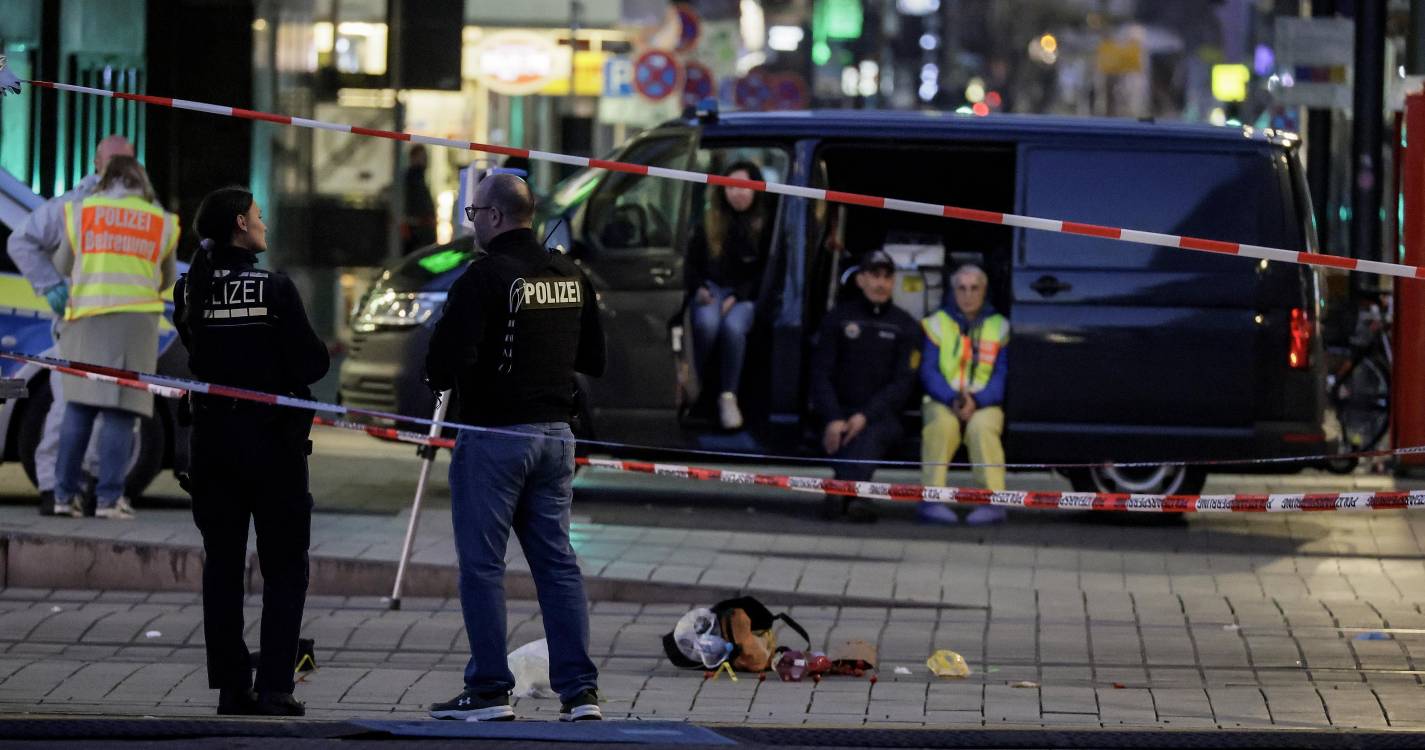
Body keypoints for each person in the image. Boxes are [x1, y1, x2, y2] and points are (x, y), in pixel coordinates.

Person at [425, 173, 605, 722]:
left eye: (474, 211)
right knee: (557, 565)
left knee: (482, 566)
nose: (472, 221)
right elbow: (592, 359)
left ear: (497, 216)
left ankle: (487, 691)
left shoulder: (484, 278)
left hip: (494, 438)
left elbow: (442, 363)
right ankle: (580, 694)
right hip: (556, 436)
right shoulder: (572, 275)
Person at [173, 187, 329, 716]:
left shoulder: (188, 289)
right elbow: (311, 365)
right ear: (241, 223)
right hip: (275, 449)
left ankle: (233, 688)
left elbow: (199, 356)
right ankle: (276, 688)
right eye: (258, 216)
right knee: (284, 566)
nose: (263, 224)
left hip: (214, 446)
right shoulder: (275, 287)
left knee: (222, 567)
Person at [7, 135, 136, 515]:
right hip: (80, 323)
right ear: (97, 162)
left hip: (121, 323)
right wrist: (50, 287)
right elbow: (22, 241)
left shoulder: (140, 209)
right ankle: (54, 488)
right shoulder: (72, 207)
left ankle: (90, 486)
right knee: (70, 407)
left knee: (110, 411)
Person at [50, 156, 177, 521]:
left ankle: (63, 497)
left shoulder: (82, 211)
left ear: (107, 180)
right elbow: (165, 278)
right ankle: (108, 501)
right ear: (142, 182)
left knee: (79, 409)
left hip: (87, 321)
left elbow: (62, 266)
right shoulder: (161, 221)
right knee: (121, 414)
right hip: (135, 326)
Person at [809, 251, 918, 523]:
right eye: (874, 276)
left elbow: (903, 384)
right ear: (860, 280)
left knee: (868, 434)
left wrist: (865, 415)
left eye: (886, 277)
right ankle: (856, 496)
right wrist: (833, 418)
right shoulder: (838, 318)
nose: (880, 283)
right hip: (839, 411)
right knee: (847, 431)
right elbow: (820, 373)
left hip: (881, 415)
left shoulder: (905, 325)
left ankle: (843, 491)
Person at [919, 264, 1010, 526]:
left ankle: (993, 502)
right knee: (941, 427)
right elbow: (928, 371)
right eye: (961, 288)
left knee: (982, 429)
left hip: (984, 402)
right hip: (943, 400)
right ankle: (931, 499)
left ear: (984, 291)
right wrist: (952, 398)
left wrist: (977, 401)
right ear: (953, 291)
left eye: (974, 288)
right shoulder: (936, 323)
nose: (968, 295)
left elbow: (1001, 377)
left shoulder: (1000, 326)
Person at [684, 161, 771, 430]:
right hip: (711, 289)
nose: (738, 193)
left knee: (733, 327)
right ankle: (693, 391)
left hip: (745, 296)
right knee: (706, 324)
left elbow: (766, 271)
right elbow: (690, 263)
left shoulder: (765, 224)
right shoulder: (709, 221)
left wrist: (738, 296)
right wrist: (700, 287)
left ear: (756, 190)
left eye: (745, 187)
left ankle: (727, 397)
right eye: (732, 186)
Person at [401, 144, 438, 256]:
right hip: (418, 234)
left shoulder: (418, 178)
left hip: (421, 232)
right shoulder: (413, 179)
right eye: (422, 157)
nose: (425, 160)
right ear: (413, 158)